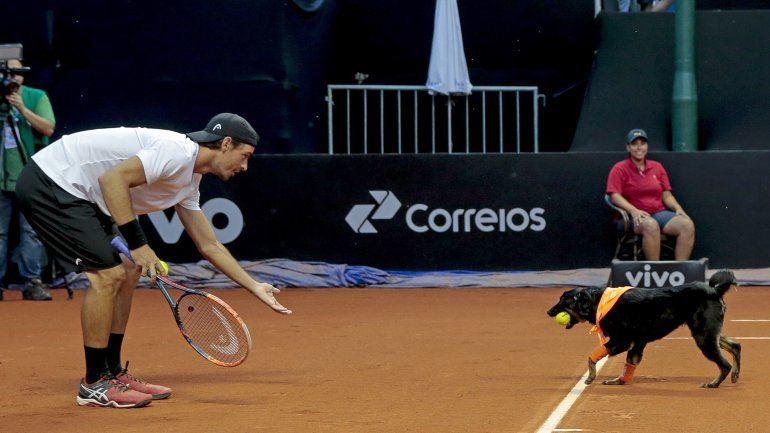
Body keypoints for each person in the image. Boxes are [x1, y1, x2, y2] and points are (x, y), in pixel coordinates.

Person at [16, 113, 292, 408]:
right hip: (52, 180)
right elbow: (112, 180)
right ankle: (94, 383)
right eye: (244, 155)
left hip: (85, 194)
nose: (245, 166)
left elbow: (209, 244)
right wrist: (140, 245)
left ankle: (113, 372)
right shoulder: (177, 151)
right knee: (108, 275)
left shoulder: (189, 182)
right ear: (226, 144)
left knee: (130, 270)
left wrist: (254, 286)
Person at [0, 59, 55, 301]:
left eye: (16, 71)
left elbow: (48, 128)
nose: (12, 76)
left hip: (28, 176)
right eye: (7, 71)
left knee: (31, 232)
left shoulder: (36, 96)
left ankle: (32, 282)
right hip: (1, 178)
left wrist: (22, 109)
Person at [606, 128, 695, 261]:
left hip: (658, 213)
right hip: (632, 217)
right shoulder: (619, 168)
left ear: (647, 146)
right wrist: (633, 210)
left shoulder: (657, 167)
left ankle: (679, 272)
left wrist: (678, 208)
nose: (639, 147)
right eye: (635, 144)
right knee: (650, 225)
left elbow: (667, 195)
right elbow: (614, 195)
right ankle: (655, 272)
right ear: (628, 147)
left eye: (642, 143)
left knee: (687, 225)